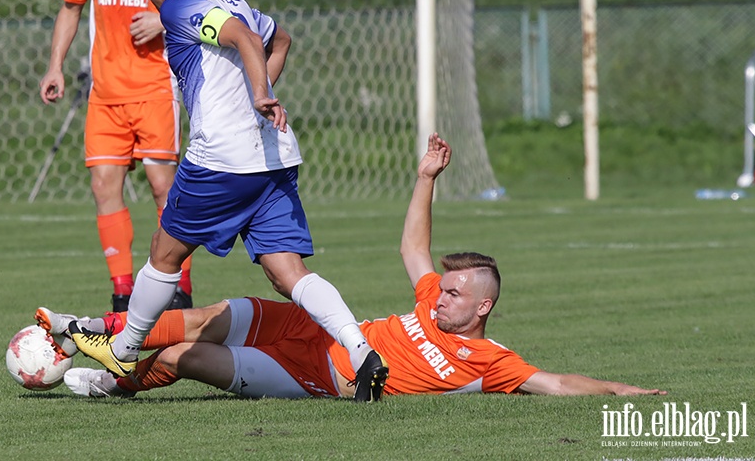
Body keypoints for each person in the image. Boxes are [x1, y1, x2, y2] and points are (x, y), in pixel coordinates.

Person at [40, 134, 666, 400]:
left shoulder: (492, 362)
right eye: (442, 290)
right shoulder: (430, 302)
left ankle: (112, 381)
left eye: (452, 295)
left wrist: (632, 392)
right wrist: (425, 180)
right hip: (318, 329)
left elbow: (555, 384)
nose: (438, 298)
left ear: (483, 307)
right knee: (217, 313)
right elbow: (414, 252)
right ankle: (89, 328)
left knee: (185, 359)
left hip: (320, 374)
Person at [68, 0, 389, 402]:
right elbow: (279, 38)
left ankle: (125, 348)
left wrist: (259, 92)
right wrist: (254, 95)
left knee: (165, 252)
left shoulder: (177, 6)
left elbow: (239, 37)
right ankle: (361, 351)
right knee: (287, 272)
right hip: (273, 155)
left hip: (221, 159)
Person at [38, 0, 192, 313]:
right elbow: (70, 10)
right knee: (104, 185)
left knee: (164, 187)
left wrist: (163, 18)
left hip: (155, 89)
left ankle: (178, 289)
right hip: (104, 95)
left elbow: (199, 1)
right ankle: (123, 293)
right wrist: (55, 67)